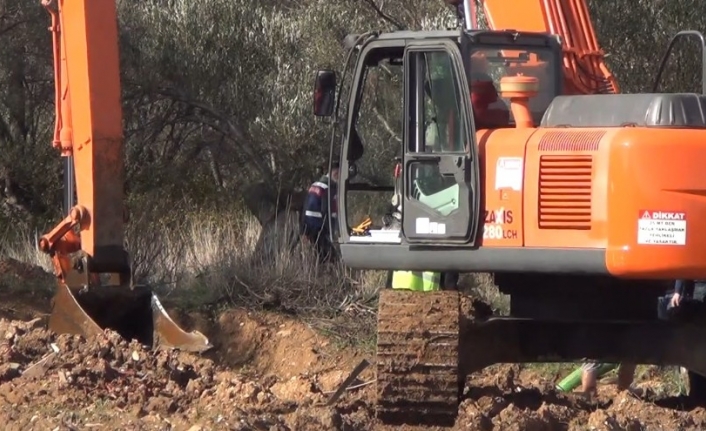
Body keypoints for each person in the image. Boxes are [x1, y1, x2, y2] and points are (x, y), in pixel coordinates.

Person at [301, 162, 339, 263]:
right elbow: (326, 210)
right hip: (321, 228)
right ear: (333, 172)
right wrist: (332, 231)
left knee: (321, 256)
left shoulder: (315, 185)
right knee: (331, 258)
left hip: (311, 227)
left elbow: (305, 208)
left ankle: (320, 275)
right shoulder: (329, 188)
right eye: (338, 173)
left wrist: (304, 231)